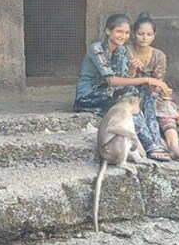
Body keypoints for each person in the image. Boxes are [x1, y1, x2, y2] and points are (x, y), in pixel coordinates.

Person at [73, 13, 172, 161]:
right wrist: (148, 79)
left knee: (144, 92)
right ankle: (149, 145)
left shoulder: (121, 51)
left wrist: (132, 70)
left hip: (109, 94)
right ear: (108, 31)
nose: (123, 36)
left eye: (126, 33)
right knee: (131, 95)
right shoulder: (96, 49)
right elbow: (111, 81)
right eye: (119, 31)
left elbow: (124, 79)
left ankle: (155, 141)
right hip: (88, 97)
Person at [129, 12, 179, 160]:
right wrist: (132, 70)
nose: (144, 38)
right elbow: (122, 79)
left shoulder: (159, 56)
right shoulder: (126, 51)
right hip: (131, 92)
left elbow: (158, 81)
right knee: (138, 109)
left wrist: (162, 90)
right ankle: (159, 145)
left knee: (166, 106)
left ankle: (174, 147)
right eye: (140, 34)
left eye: (149, 34)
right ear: (134, 34)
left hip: (152, 93)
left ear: (154, 35)